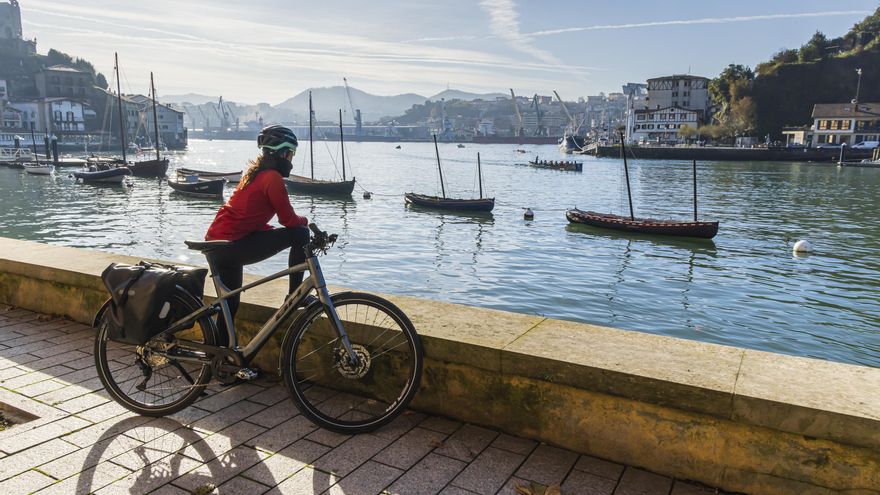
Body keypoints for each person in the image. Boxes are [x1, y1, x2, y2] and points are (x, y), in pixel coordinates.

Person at [204, 125, 310, 335]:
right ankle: (295, 296)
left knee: (229, 306)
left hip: (218, 246)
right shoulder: (272, 178)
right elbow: (289, 220)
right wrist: (305, 220)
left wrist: (266, 230)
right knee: (301, 233)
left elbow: (247, 215)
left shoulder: (253, 175)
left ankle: (217, 362)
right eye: (291, 154)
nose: (291, 160)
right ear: (281, 153)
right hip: (230, 246)